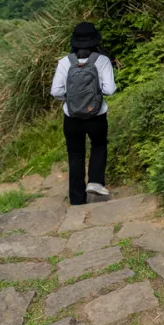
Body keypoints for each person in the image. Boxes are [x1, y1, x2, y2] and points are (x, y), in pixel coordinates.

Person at [49, 21, 116, 205]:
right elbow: (109, 90)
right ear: (95, 41)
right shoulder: (102, 61)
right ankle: (95, 182)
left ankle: (77, 199)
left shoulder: (65, 62)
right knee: (99, 145)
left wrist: (71, 98)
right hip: (97, 116)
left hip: (72, 117)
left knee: (75, 154)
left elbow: (55, 92)